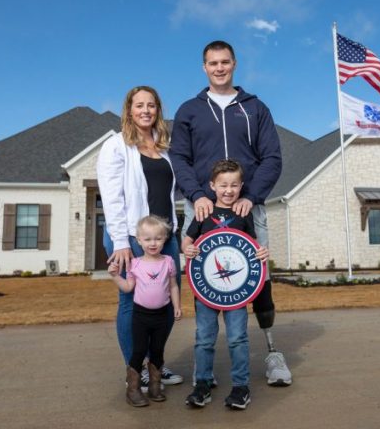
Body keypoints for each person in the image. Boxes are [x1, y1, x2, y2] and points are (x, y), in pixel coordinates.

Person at [170, 40, 292, 387]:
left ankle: (272, 353)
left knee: (258, 277)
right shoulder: (189, 110)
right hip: (204, 208)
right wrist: (196, 194)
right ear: (204, 67)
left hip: (246, 206)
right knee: (207, 281)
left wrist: (251, 197)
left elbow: (272, 157)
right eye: (213, 63)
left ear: (234, 64)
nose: (219, 68)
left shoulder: (255, 108)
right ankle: (205, 367)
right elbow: (179, 158)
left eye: (225, 62)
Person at [97, 85, 184, 392]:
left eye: (151, 105)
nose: (146, 110)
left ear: (158, 109)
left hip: (167, 236)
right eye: (139, 105)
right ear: (129, 110)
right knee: (131, 304)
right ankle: (137, 370)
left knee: (168, 299)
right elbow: (112, 198)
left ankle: (155, 364)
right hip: (131, 238)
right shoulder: (116, 145)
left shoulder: (164, 146)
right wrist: (121, 241)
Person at [182, 160, 269, 410]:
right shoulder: (203, 212)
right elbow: (186, 242)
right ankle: (202, 385)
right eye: (223, 185)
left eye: (233, 185)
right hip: (206, 289)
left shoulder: (244, 214)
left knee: (237, 339)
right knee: (204, 339)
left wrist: (262, 253)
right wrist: (188, 248)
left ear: (241, 186)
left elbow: (253, 247)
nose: (228, 190)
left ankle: (241, 387)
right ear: (212, 185)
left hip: (236, 292)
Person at [108, 215, 182, 407]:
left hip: (161, 316)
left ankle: (155, 387)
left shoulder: (168, 261)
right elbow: (127, 288)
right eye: (147, 239)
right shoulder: (135, 264)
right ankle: (133, 389)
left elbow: (173, 286)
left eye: (158, 238)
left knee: (158, 351)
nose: (153, 243)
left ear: (165, 238)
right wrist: (116, 276)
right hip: (140, 316)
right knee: (139, 351)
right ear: (138, 240)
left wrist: (177, 306)